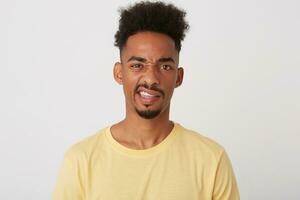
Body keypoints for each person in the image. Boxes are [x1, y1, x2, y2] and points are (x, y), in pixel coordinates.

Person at [52, 1, 240, 200]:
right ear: (119, 73)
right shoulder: (81, 160)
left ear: (179, 77)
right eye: (137, 65)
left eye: (165, 67)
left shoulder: (211, 160)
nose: (151, 78)